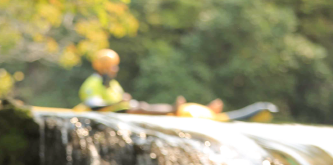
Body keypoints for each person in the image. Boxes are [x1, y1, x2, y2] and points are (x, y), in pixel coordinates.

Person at [79, 49, 224, 116]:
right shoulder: (91, 84)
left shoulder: (113, 83)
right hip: (113, 114)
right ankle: (173, 109)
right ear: (104, 67)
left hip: (123, 110)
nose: (116, 69)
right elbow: (95, 107)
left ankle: (199, 110)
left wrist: (123, 101)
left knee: (140, 105)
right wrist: (119, 102)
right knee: (141, 107)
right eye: (113, 66)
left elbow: (121, 101)